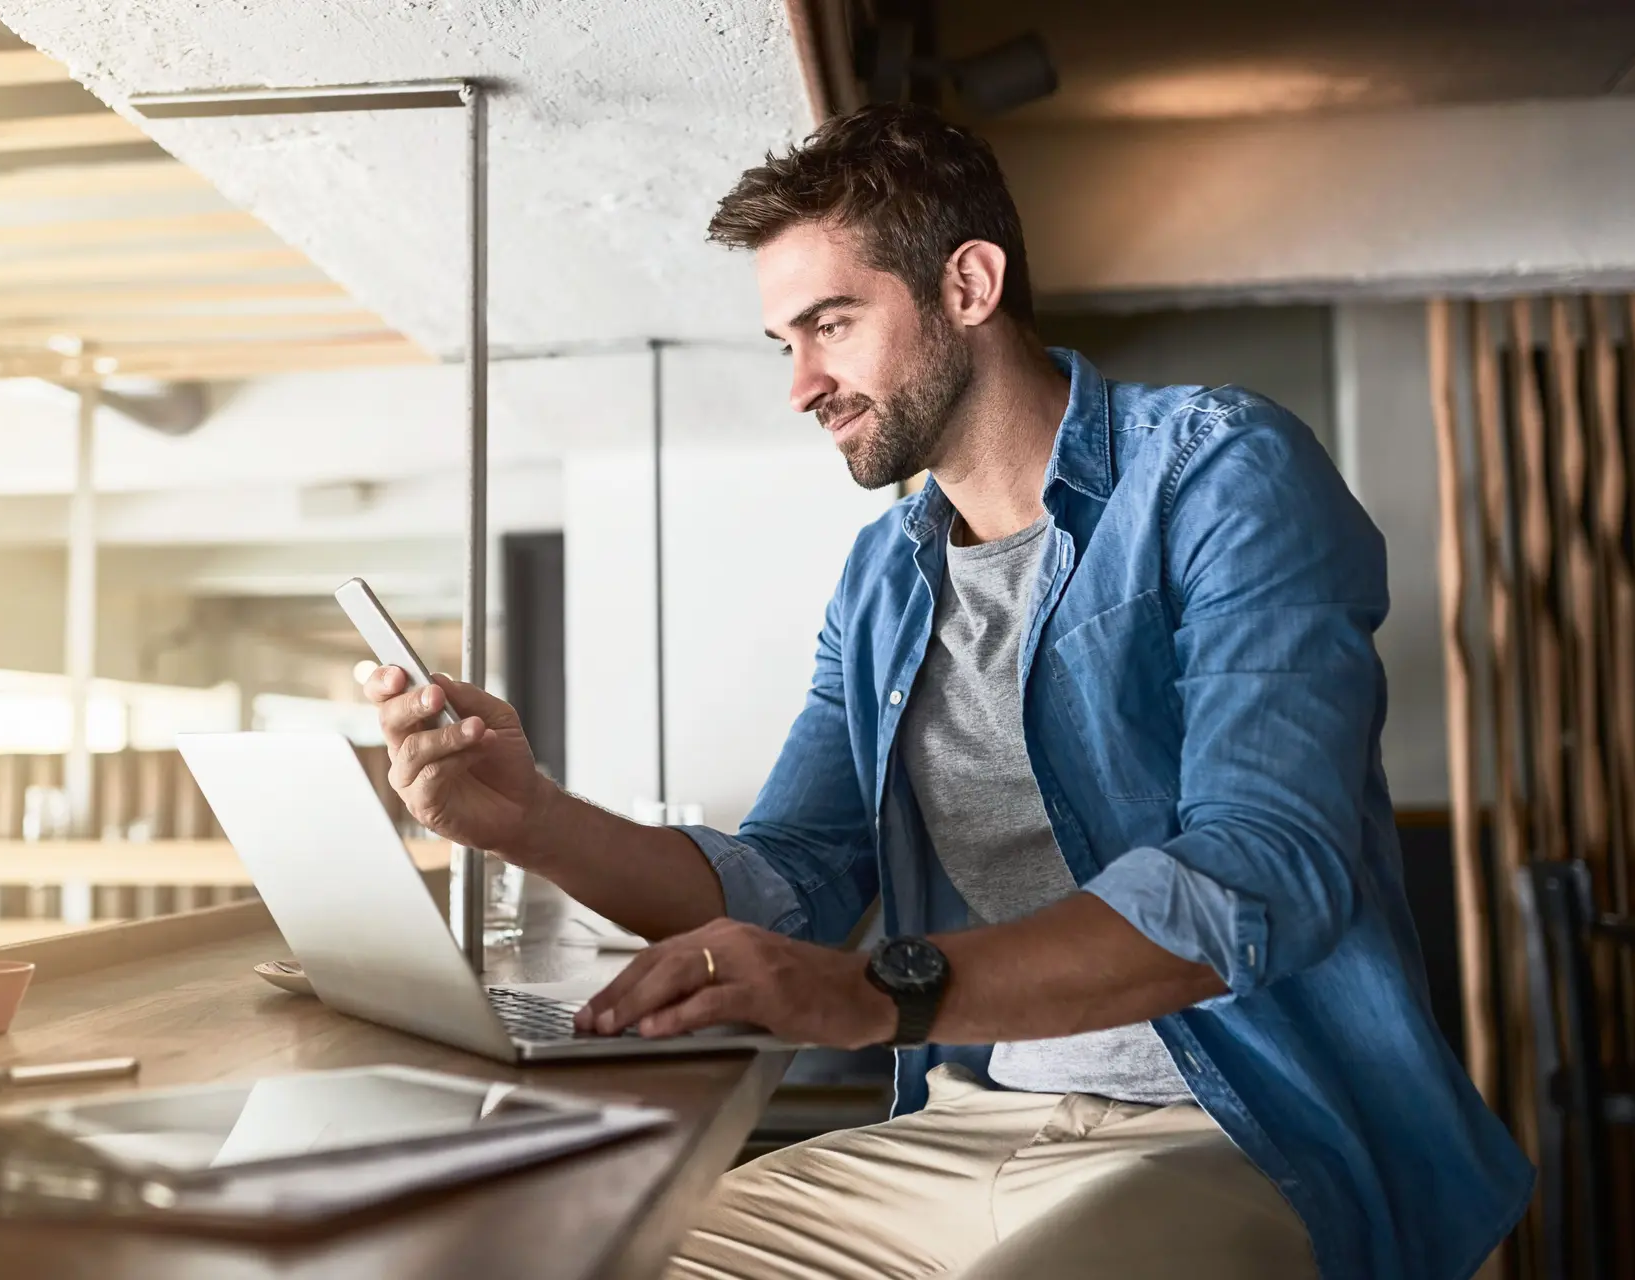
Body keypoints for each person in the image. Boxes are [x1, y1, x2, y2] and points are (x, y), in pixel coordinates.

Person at [368, 103, 1531, 1280]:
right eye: (786, 342)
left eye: (830, 323)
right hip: (964, 1123)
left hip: (1238, 1128)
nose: (803, 384)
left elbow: (1262, 865)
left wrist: (881, 989)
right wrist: (532, 818)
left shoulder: (1220, 470)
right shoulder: (885, 575)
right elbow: (794, 882)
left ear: (969, 283)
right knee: (586, 1256)